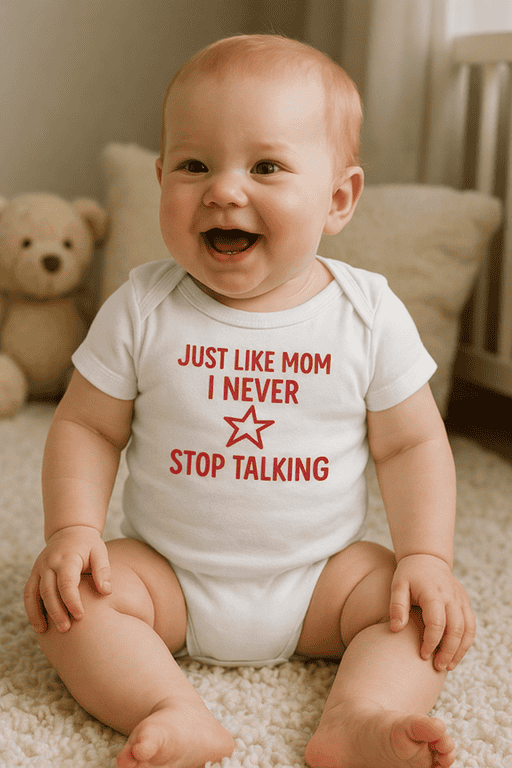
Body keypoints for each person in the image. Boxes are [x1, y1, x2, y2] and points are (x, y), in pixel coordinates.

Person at [24, 34, 476, 768]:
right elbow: (86, 425)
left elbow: (412, 444)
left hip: (324, 580)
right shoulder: (142, 305)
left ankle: (361, 715)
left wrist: (427, 555)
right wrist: (71, 529)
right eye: (195, 165)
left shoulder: (367, 313)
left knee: (418, 609)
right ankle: (167, 706)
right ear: (162, 176)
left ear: (338, 198)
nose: (225, 190)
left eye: (266, 166)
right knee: (69, 602)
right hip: (166, 575)